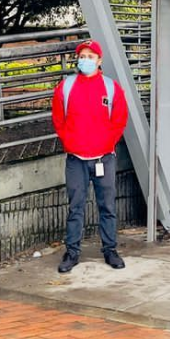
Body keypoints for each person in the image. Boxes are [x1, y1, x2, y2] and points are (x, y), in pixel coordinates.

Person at [51, 39, 130, 273]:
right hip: (76, 159)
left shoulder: (110, 87)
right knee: (76, 207)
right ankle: (72, 252)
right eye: (82, 56)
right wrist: (69, 141)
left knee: (107, 206)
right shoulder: (65, 87)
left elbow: (119, 119)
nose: (85, 60)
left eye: (90, 56)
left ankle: (110, 250)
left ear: (99, 60)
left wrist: (107, 143)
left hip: (103, 158)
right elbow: (58, 119)